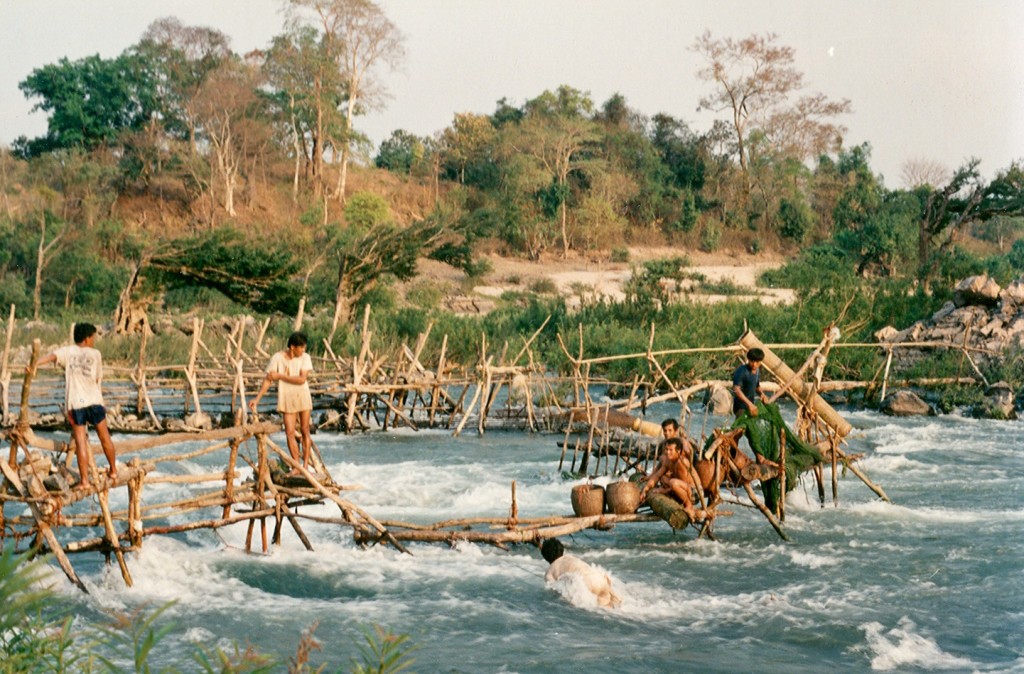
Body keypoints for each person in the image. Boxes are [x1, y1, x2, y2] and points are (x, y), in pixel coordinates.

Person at [36, 323, 117, 489]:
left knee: (80, 442)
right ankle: (114, 471)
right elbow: (96, 379)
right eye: (93, 337)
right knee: (104, 437)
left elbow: (50, 357)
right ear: (87, 338)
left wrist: (34, 364)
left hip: (76, 403)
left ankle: (84, 481)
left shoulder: (67, 351)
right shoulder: (96, 354)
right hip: (94, 401)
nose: (94, 340)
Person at [249, 331, 314, 475]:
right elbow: (268, 379)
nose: (303, 350)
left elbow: (302, 379)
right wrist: (257, 398)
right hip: (287, 397)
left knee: (304, 430)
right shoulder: (277, 358)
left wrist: (280, 376)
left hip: (302, 395)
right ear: (292, 347)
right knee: (289, 432)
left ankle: (305, 465)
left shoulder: (305, 358)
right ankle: (297, 466)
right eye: (301, 347)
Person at [541, 538, 621, 608]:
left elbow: (554, 590)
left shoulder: (549, 572)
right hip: (602, 581)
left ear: (545, 556)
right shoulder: (570, 557)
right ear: (562, 550)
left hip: (586, 584)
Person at [639, 436, 699, 521]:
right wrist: (645, 489)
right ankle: (677, 499)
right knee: (663, 478)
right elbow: (657, 476)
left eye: (671, 450)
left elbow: (686, 486)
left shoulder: (681, 462)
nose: (667, 452)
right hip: (683, 488)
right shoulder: (668, 461)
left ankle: (689, 506)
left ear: (678, 451)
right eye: (666, 449)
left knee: (673, 482)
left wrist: (664, 490)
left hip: (694, 492)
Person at [732, 347, 766, 417]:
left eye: (757, 362)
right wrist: (749, 404)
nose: (754, 364)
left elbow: (757, 386)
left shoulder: (757, 371)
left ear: (760, 361)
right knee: (741, 426)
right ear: (748, 360)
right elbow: (736, 389)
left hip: (750, 405)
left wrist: (762, 394)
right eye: (752, 361)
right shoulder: (742, 371)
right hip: (740, 407)